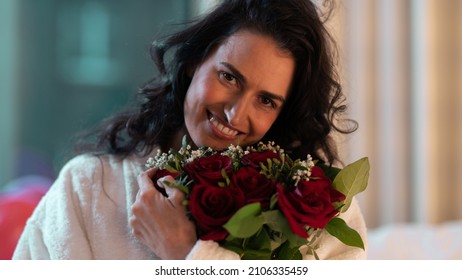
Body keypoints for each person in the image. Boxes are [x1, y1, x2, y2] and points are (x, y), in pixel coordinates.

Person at [13, 0, 367, 260]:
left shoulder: (321, 212)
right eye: (228, 77)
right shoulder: (87, 188)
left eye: (266, 101)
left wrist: (184, 253)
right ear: (194, 62)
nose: (235, 113)